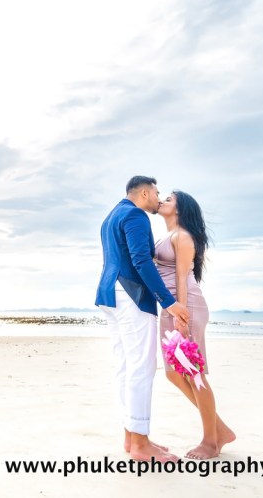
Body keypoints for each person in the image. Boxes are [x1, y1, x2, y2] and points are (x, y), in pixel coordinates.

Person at [95, 176, 190, 462]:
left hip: (109, 294)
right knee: (142, 367)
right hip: (131, 295)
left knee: (125, 366)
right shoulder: (136, 215)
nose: (159, 199)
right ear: (145, 193)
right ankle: (140, 444)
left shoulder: (111, 216)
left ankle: (132, 436)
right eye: (157, 193)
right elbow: (141, 260)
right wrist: (169, 302)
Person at [156, 190, 235, 459]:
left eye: (169, 199)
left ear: (180, 209)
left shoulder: (183, 236)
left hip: (186, 306)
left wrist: (181, 317)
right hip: (172, 307)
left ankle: (211, 441)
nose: (163, 200)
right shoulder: (167, 236)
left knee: (194, 373)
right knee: (173, 373)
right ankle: (220, 429)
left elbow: (181, 277)